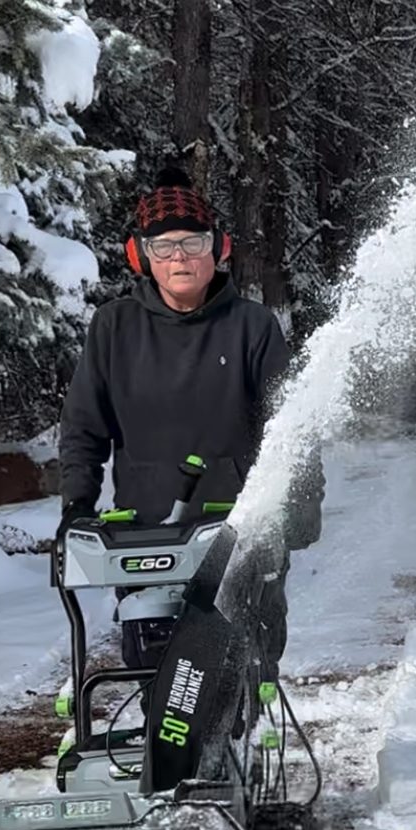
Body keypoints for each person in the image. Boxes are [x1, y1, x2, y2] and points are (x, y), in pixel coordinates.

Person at [59, 167, 320, 667]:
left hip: (238, 534)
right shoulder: (115, 328)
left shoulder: (252, 327)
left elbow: (293, 430)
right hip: (144, 536)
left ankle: (237, 738)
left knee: (234, 680)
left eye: (192, 241)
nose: (179, 256)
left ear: (217, 247)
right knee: (156, 685)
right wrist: (76, 506)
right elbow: (83, 428)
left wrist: (298, 512)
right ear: (141, 256)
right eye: (163, 245)